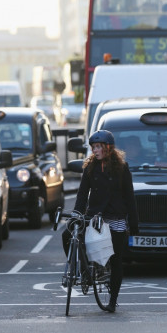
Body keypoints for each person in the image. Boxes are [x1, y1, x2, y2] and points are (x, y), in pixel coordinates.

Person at [65, 130, 139, 313]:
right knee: (68, 235)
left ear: (108, 148)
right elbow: (82, 194)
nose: (95, 151)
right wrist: (77, 214)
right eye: (93, 147)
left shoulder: (122, 168)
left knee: (116, 260)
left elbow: (130, 197)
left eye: (99, 147)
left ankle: (113, 300)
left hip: (116, 217)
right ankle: (83, 269)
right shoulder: (90, 168)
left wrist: (134, 221)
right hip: (94, 216)